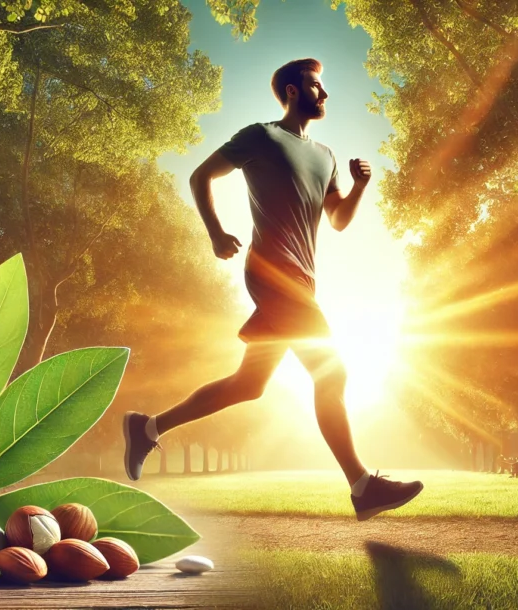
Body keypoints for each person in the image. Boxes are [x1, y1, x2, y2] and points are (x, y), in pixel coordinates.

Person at [123, 58, 423, 521]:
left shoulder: (325, 156)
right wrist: (216, 233)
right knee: (332, 371)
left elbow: (338, 219)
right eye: (315, 87)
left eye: (323, 88)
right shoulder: (260, 136)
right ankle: (362, 486)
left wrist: (360, 186)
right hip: (270, 272)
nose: (324, 95)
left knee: (249, 385)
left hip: (303, 280)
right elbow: (200, 176)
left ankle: (147, 427)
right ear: (291, 91)